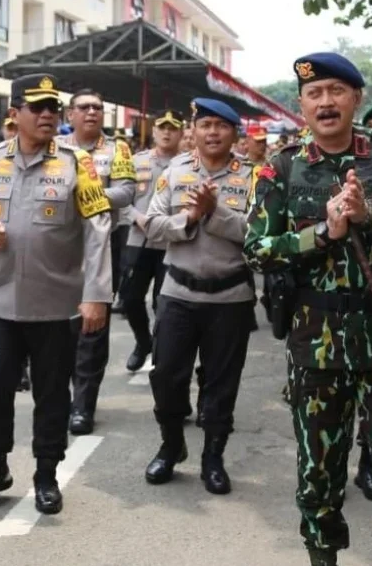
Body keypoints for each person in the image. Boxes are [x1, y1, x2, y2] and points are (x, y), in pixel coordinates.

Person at [244, 52, 372, 566]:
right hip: (316, 344)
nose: (325, 102)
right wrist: (323, 233)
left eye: (335, 91)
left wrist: (368, 214)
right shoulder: (279, 166)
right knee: (318, 477)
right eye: (314, 94)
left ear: (356, 98)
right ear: (302, 104)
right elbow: (257, 248)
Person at [0, 73, 112, 514]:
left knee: (52, 394)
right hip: (0, 303)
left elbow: (98, 228)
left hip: (57, 305)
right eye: (37, 107)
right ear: (14, 114)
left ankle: (46, 474)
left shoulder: (75, 163)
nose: (48, 115)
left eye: (53, 108)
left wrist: (97, 294)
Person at [142, 98, 257, 494]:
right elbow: (150, 225)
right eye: (205, 125)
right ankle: (171, 446)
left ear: (234, 133)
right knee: (166, 377)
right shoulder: (175, 172)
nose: (212, 133)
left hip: (230, 298)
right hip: (178, 293)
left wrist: (215, 213)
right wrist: (188, 219)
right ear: (193, 130)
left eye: (221, 126)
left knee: (221, 385)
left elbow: (260, 235)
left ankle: (213, 457)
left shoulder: (255, 176)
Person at [59, 89, 136, 435]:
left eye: (97, 108)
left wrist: (84, 195)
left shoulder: (116, 149)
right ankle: (62, 394)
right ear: (70, 114)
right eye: (84, 107)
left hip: (104, 243)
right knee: (60, 325)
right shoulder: (56, 148)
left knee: (92, 324)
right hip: (59, 244)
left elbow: (124, 193)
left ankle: (83, 404)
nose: (92, 112)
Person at [121, 110, 182, 371]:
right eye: (162, 127)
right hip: (139, 240)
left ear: (180, 133)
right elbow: (121, 202)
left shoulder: (188, 164)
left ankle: (161, 349)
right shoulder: (136, 162)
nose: (167, 132)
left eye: (173, 128)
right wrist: (138, 218)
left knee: (164, 303)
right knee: (130, 299)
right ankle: (142, 341)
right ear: (154, 130)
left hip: (172, 244)